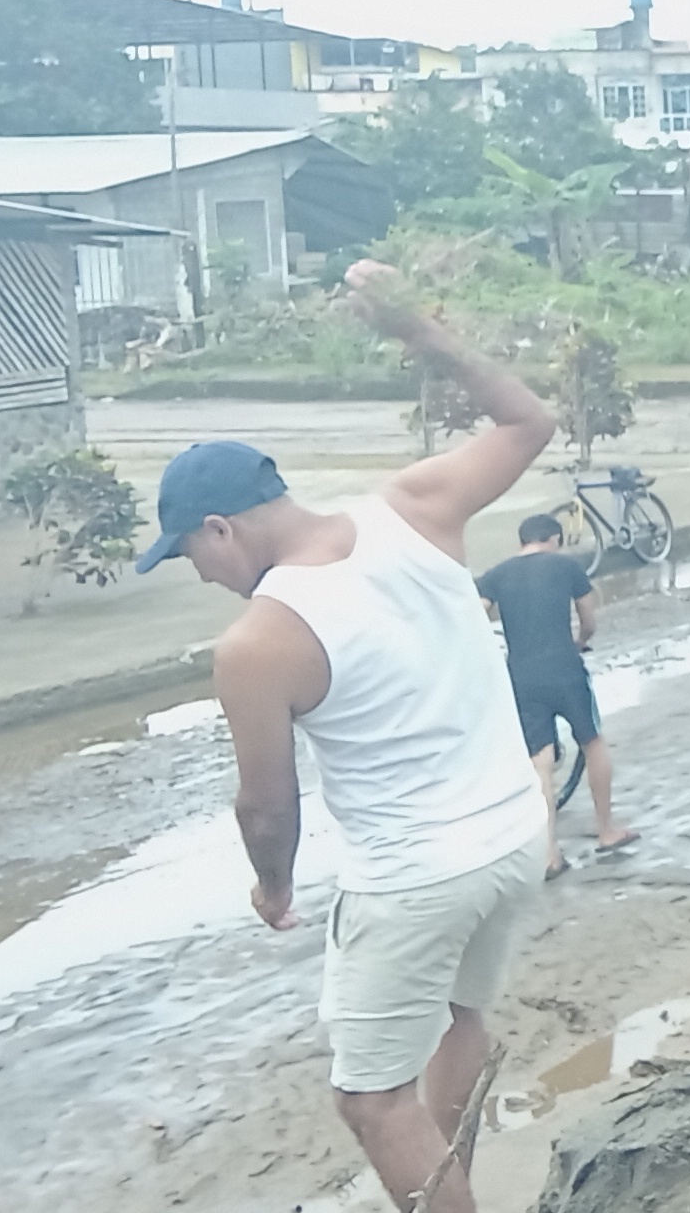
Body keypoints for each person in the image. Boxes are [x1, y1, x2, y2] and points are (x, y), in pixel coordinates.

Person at [144, 262, 552, 1213]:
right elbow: (530, 422)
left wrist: (273, 886)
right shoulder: (414, 509)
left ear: (219, 529)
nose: (197, 575)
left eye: (188, 554)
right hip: (513, 836)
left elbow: (266, 806)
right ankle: (451, 1192)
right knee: (459, 1022)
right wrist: (423, 332)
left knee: (372, 1101)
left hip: (414, 877)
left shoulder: (258, 641)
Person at [477, 512, 635, 876]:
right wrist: (580, 642)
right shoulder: (567, 567)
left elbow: (474, 617)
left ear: (522, 541)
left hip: (521, 676)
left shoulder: (495, 575)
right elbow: (589, 620)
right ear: (554, 539)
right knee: (592, 742)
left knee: (540, 762)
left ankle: (550, 853)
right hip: (565, 669)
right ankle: (607, 830)